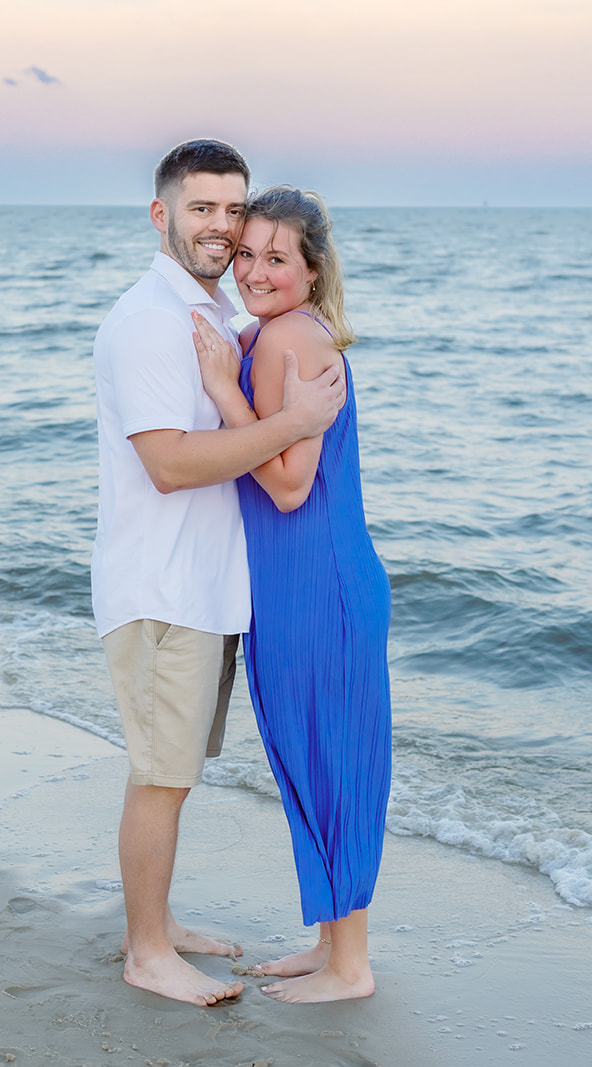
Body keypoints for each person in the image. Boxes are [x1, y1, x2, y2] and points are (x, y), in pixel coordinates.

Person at [92, 142, 347, 1007]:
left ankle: (157, 922)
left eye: (233, 210)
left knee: (174, 769)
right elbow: (168, 463)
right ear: (161, 215)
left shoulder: (210, 313)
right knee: (161, 773)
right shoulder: (148, 322)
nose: (221, 227)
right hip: (160, 586)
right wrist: (294, 423)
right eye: (201, 208)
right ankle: (147, 952)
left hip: (204, 587)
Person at [191, 185, 392, 1003]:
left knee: (331, 758)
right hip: (299, 585)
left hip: (320, 585)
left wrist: (222, 390)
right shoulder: (269, 333)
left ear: (312, 269)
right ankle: (329, 944)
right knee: (311, 755)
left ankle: (352, 965)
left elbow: (286, 485)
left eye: (277, 258)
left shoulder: (289, 339)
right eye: (246, 253)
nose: (254, 271)